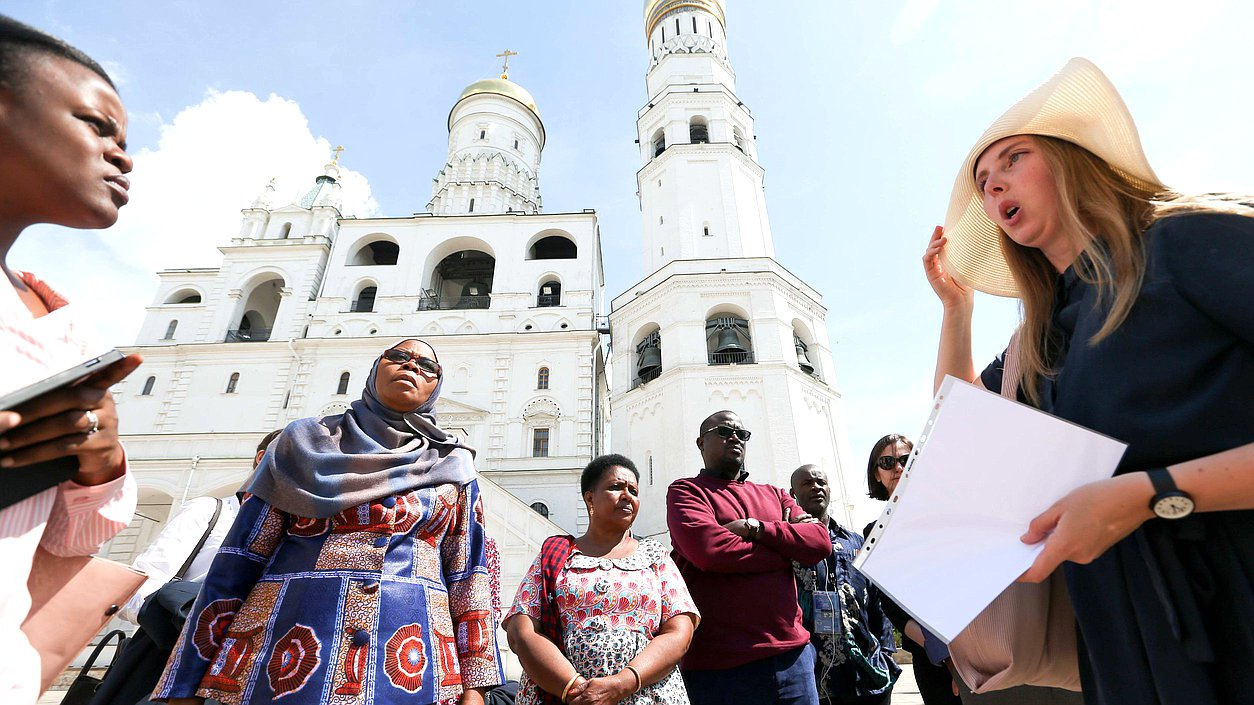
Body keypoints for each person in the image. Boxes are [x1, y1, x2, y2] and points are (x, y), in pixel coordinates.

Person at [924, 57, 1254, 704]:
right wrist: (956, 312)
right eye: (984, 183)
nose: (993, 189)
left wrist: (1156, 492)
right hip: (1128, 649)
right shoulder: (1044, 338)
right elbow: (960, 437)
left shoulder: (1186, 241)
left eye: (1013, 160)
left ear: (1072, 158)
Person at [154, 339, 503, 704]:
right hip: (289, 654)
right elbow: (240, 558)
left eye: (427, 366)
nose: (412, 367)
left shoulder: (452, 463)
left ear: (436, 386)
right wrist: (184, 682)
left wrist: (475, 688)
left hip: (414, 663)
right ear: (374, 369)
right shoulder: (306, 443)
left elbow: (468, 574)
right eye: (399, 356)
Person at [0, 15, 141, 704]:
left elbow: (74, 536)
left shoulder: (60, 325)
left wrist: (97, 459)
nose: (124, 155)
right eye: (96, 124)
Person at [504, 453, 698, 705]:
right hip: (564, 697)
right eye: (616, 487)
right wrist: (578, 691)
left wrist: (622, 684)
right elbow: (523, 630)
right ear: (589, 498)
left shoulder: (655, 556)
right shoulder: (556, 555)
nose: (627, 495)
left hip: (648, 696)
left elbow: (680, 632)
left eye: (634, 490)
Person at [667, 410, 832, 705]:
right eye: (724, 431)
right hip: (721, 668)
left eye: (742, 434)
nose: (735, 437)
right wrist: (787, 551)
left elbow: (819, 543)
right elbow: (711, 553)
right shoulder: (686, 492)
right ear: (700, 443)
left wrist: (754, 528)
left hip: (793, 659)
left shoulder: (776, 494)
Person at [790, 464, 898, 705]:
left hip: (867, 674)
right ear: (792, 493)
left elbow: (877, 601)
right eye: (807, 483)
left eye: (821, 482)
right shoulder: (787, 546)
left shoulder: (856, 541)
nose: (816, 487)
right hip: (816, 679)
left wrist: (887, 656)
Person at [863, 435, 958, 705]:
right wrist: (948, 658)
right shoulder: (874, 533)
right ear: (876, 473)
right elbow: (894, 608)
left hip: (981, 645)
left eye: (906, 459)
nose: (898, 468)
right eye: (887, 462)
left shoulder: (948, 512)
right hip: (934, 660)